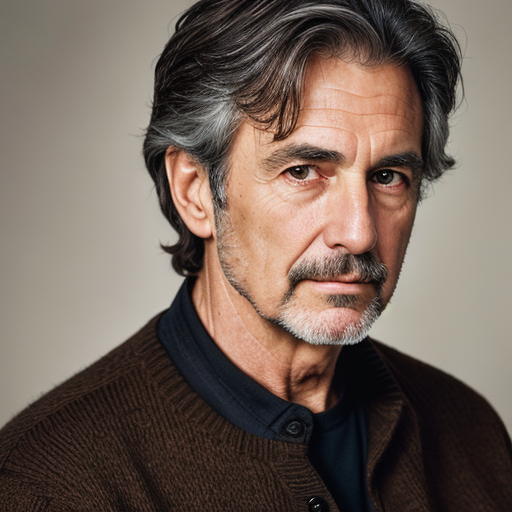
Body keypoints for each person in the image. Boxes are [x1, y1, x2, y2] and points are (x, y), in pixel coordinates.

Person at [1, 0, 511, 510]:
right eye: (302, 171)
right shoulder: (49, 484)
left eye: (387, 177)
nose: (359, 234)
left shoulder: (472, 433)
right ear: (196, 190)